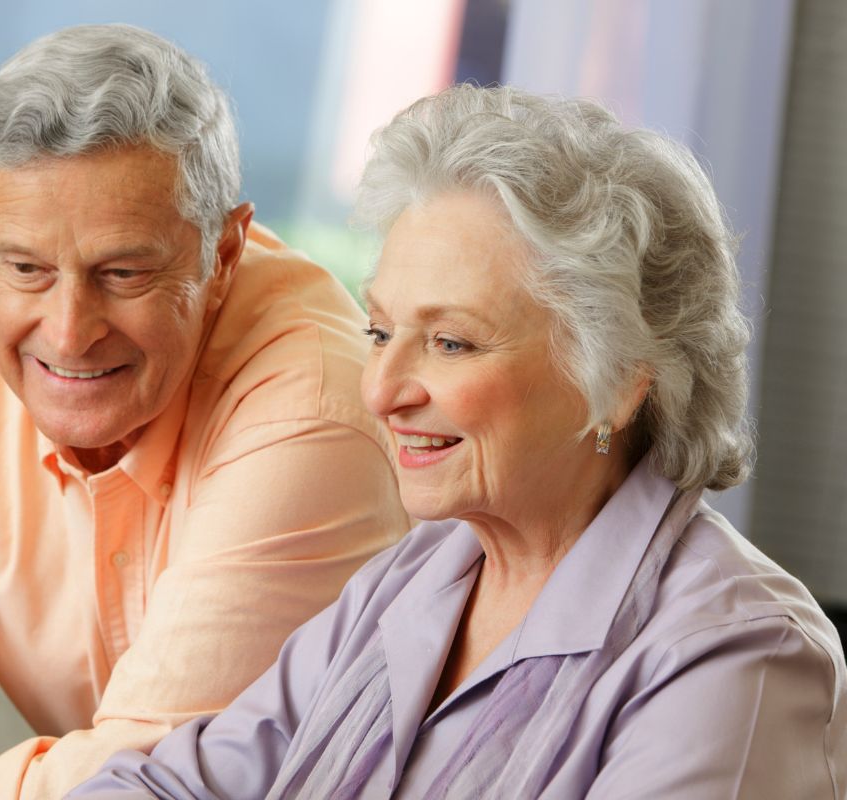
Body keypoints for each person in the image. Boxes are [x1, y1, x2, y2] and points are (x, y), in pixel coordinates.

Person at [68, 85, 847, 798]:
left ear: (617, 381)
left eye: (451, 343)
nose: (381, 390)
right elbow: (174, 786)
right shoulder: (413, 576)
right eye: (380, 331)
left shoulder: (738, 655)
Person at [0, 24, 409, 799]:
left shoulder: (313, 403)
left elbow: (151, 781)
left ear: (222, 255)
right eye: (23, 267)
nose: (68, 332)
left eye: (122, 273)